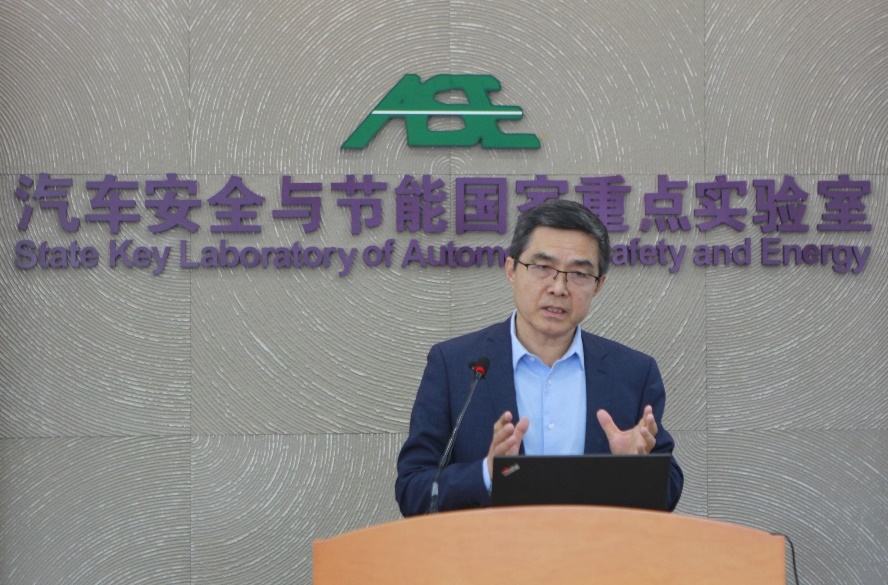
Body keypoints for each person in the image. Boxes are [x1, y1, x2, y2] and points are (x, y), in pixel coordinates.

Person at [395, 199, 683, 516]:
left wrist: (634, 470)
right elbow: (413, 490)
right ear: (511, 270)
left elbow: (669, 490)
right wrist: (487, 474)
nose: (559, 287)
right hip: (490, 548)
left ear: (598, 286)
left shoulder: (633, 372)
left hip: (594, 548)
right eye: (543, 267)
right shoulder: (454, 365)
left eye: (579, 273)